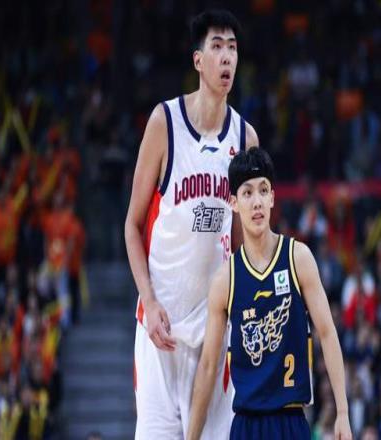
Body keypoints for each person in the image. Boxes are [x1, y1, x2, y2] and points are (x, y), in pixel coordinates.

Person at [124, 9, 259, 439]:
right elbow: (132, 226)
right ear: (198, 60)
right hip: (160, 331)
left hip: (214, 336)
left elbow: (243, 245)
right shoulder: (164, 123)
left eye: (232, 48)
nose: (227, 57)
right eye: (217, 47)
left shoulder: (245, 139)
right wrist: (149, 301)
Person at [187, 148, 352, 440]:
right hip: (246, 425)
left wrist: (343, 412)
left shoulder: (298, 258)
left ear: (273, 198)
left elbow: (327, 333)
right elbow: (209, 365)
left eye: (263, 190)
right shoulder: (226, 279)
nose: (257, 201)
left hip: (291, 420)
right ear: (234, 203)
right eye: (247, 193)